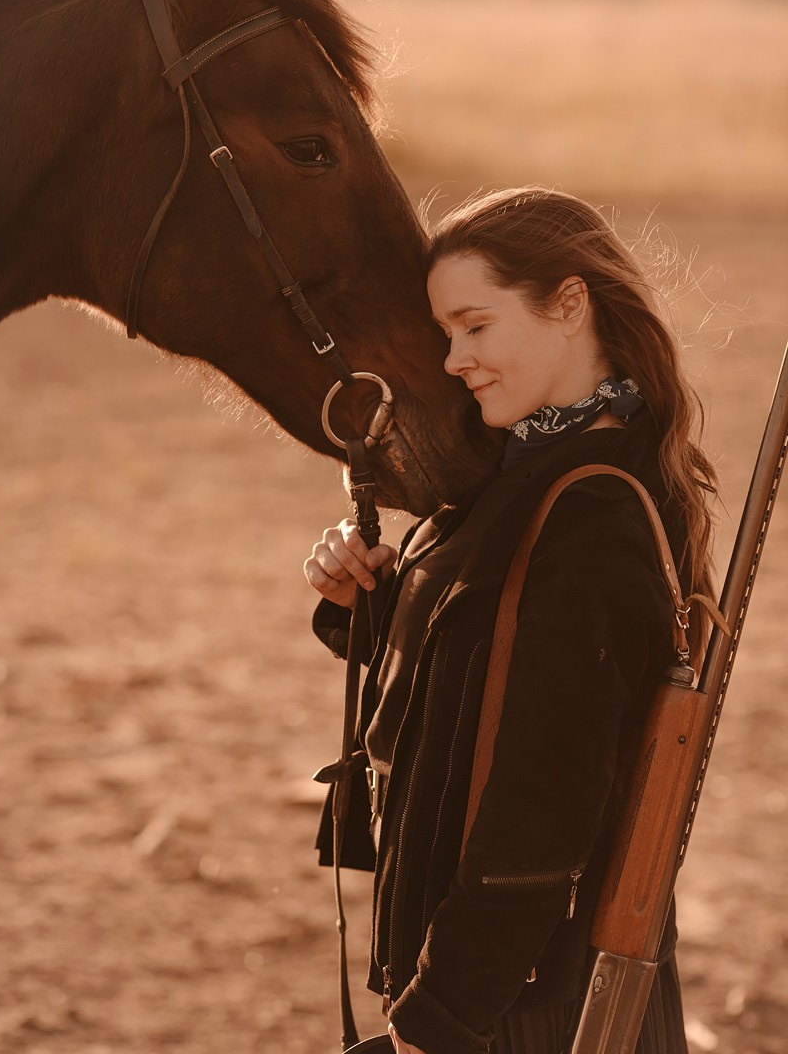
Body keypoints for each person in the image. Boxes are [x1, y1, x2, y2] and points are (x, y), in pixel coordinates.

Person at [304, 187, 718, 1054]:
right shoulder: (520, 473)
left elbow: (544, 811)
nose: (454, 360)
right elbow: (480, 677)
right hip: (487, 986)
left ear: (569, 304)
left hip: (539, 1009)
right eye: (446, 333)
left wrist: (440, 1019)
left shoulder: (593, 514)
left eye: (475, 326)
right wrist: (369, 600)